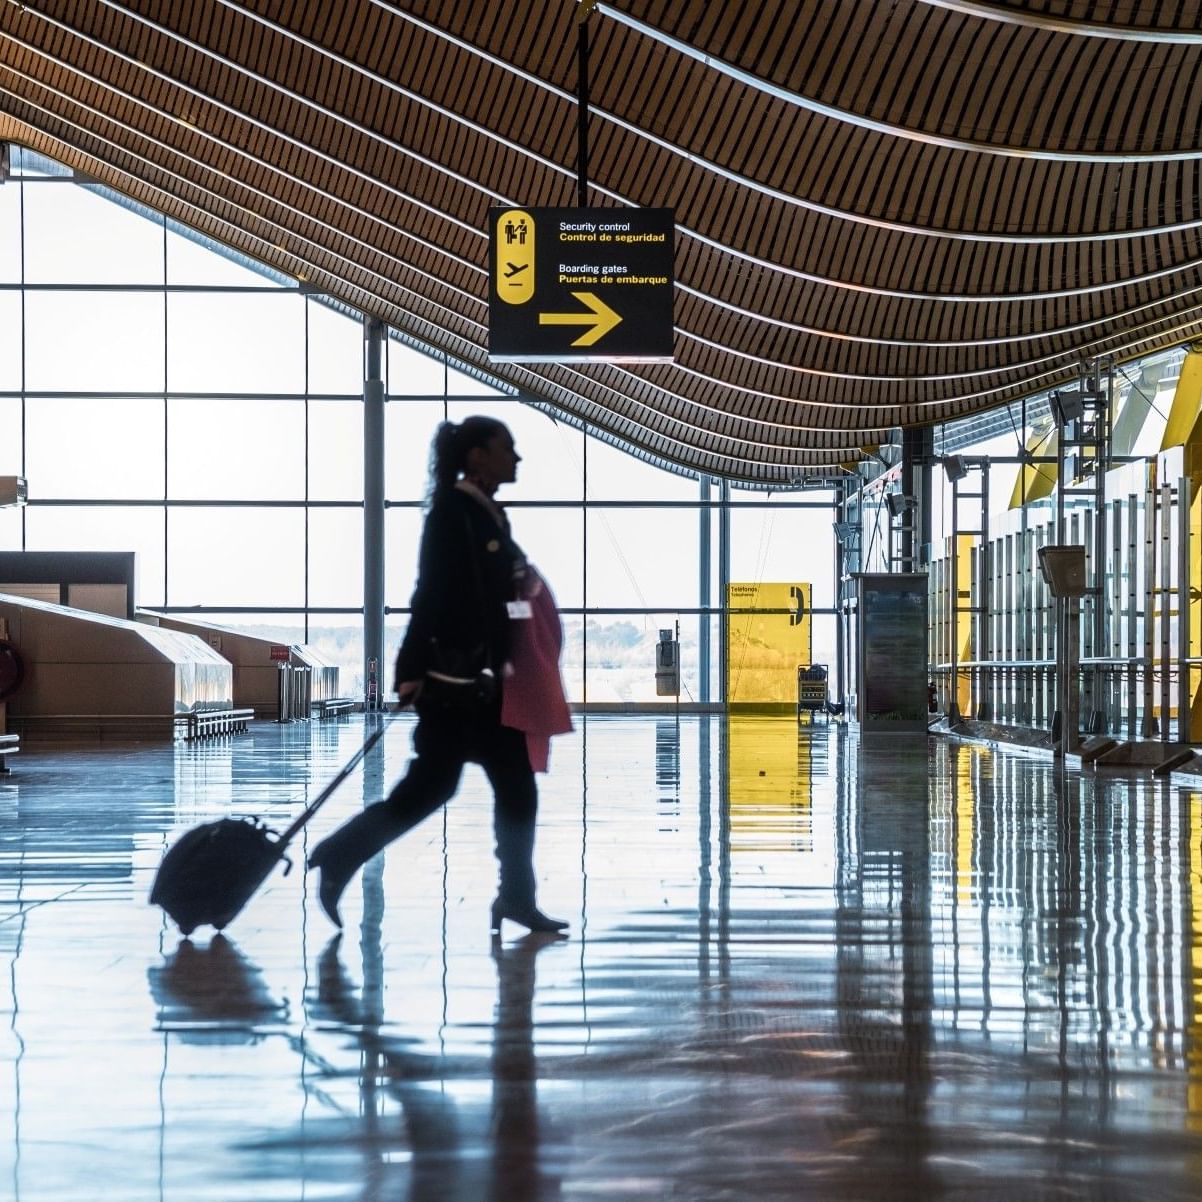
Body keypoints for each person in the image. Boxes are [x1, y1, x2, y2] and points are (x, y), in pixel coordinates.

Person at [308, 416, 569, 935]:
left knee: (512, 789)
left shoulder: (487, 514)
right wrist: (408, 671)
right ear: (477, 455)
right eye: (507, 448)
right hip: (456, 688)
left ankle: (516, 898)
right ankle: (339, 853)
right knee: (431, 790)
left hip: (485, 686)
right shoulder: (454, 511)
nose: (516, 459)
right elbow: (430, 591)